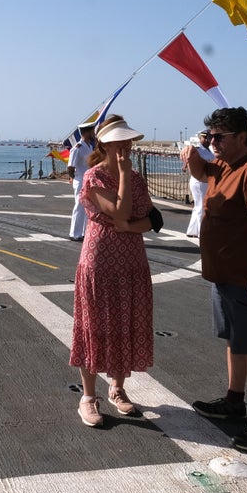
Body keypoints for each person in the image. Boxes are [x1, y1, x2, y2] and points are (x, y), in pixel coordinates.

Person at [181, 107, 247, 452]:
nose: (213, 142)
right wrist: (193, 155)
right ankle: (234, 400)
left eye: (219, 137)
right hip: (224, 274)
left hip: (245, 276)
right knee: (233, 341)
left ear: (241, 137)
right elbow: (202, 171)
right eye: (209, 136)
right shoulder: (224, 164)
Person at [69, 115, 155, 428]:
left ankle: (117, 387)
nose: (125, 147)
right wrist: (127, 217)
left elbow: (149, 219)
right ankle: (88, 396)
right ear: (104, 144)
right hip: (101, 259)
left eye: (128, 142)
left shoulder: (135, 178)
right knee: (94, 324)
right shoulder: (94, 177)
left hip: (131, 259)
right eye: (118, 142)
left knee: (124, 322)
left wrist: (130, 225)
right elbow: (118, 212)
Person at [66, 121, 97, 241]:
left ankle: (84, 233)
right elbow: (70, 167)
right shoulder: (77, 148)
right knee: (79, 206)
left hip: (88, 180)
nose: (94, 133)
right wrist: (73, 178)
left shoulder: (89, 146)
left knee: (88, 207)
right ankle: (75, 233)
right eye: (92, 131)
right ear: (87, 132)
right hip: (80, 180)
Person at [184, 130, 215, 237]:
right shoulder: (197, 151)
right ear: (200, 138)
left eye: (209, 137)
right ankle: (202, 232)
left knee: (198, 206)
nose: (207, 140)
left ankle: (192, 230)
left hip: (206, 180)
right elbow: (188, 163)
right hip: (199, 181)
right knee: (202, 205)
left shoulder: (210, 151)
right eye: (205, 137)